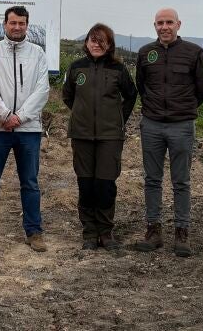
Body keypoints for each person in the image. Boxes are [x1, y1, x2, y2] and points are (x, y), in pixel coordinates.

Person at [134, 8, 203, 257]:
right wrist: (154, 108)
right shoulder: (146, 53)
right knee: (152, 179)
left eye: (169, 22)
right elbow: (141, 85)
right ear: (154, 26)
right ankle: (153, 230)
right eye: (160, 23)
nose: (164, 27)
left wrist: (185, 106)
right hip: (152, 124)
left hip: (182, 125)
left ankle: (182, 232)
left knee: (181, 181)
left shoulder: (194, 53)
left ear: (179, 24)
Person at [62, 23, 137, 250]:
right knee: (86, 184)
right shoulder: (76, 68)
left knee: (105, 185)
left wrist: (117, 119)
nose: (96, 44)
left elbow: (131, 96)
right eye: (93, 40)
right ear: (86, 43)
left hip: (110, 137)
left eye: (101, 40)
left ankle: (106, 233)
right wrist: (82, 115)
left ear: (109, 45)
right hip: (82, 135)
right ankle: (89, 233)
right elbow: (68, 96)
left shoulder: (118, 70)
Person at [0, 6, 51, 252]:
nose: (17, 27)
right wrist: (3, 115)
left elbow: (42, 89)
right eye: (12, 23)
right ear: (4, 25)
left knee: (30, 182)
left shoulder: (38, 53)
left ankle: (34, 231)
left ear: (27, 25)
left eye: (21, 23)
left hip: (28, 129)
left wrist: (19, 117)